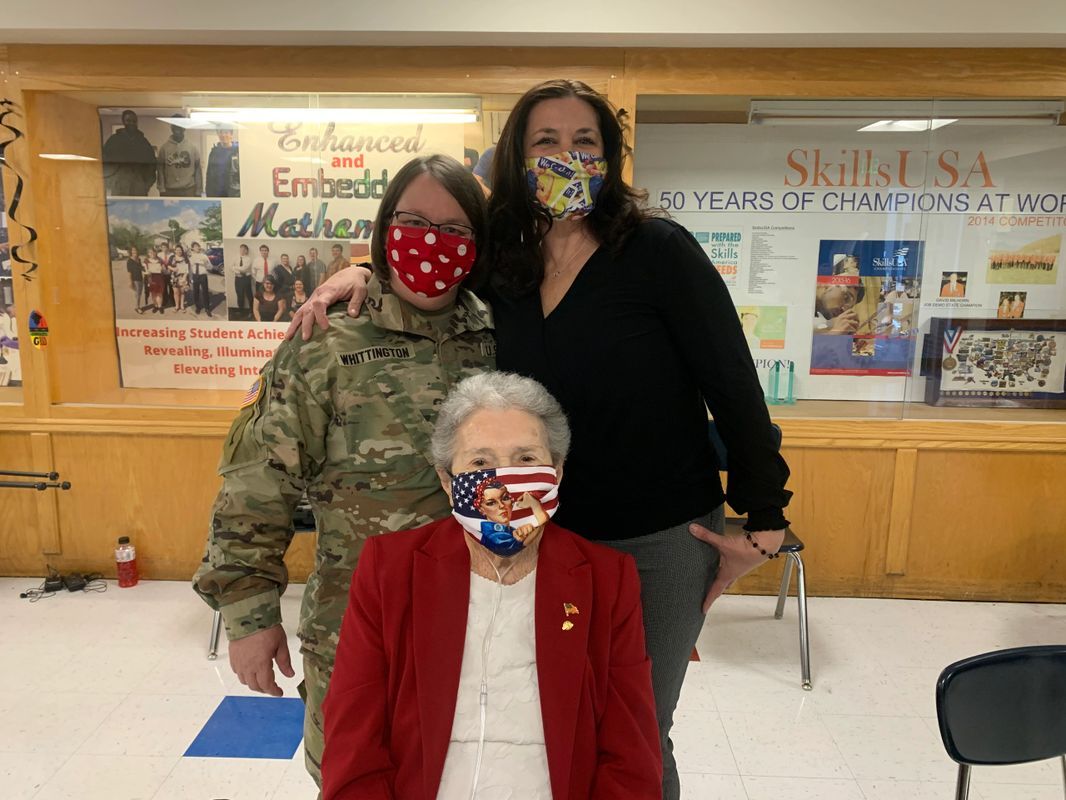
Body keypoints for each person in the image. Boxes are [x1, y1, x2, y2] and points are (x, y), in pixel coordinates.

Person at [290, 78, 791, 800]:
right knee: (549, 721)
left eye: (583, 140)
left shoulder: (657, 252)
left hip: (656, 539)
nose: (565, 155)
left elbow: (735, 386)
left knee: (639, 729)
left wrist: (764, 518)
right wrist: (361, 271)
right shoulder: (503, 264)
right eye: (545, 141)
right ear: (516, 160)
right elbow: (435, 258)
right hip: (531, 533)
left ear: (610, 155)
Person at [192, 153, 496, 789]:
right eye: (414, 221)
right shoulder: (327, 337)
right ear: (385, 226)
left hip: (481, 627)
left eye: (455, 229)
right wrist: (250, 615)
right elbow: (257, 482)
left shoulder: (500, 333)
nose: (432, 241)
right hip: (358, 625)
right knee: (356, 776)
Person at [321, 371, 662, 800]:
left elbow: (630, 750)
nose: (505, 482)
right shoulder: (389, 569)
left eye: (525, 459)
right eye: (481, 463)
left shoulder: (607, 579)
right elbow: (355, 738)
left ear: (556, 471)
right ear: (448, 481)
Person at [101, 109, 157, 196]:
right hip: (119, 186)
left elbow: (152, 164)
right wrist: (111, 183)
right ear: (123, 122)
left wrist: (146, 184)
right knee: (120, 209)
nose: (131, 123)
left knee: (140, 209)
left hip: (139, 186)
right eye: (128, 121)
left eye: (134, 121)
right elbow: (105, 161)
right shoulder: (114, 140)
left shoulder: (143, 142)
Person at [156, 117, 202, 197]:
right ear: (171, 127)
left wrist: (198, 190)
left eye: (180, 125)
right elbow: (160, 170)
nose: (177, 128)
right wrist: (162, 189)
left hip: (189, 190)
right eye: (174, 125)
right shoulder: (164, 148)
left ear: (184, 128)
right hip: (169, 191)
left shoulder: (193, 148)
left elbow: (198, 170)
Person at [205, 126, 240, 197]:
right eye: (221, 132)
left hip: (233, 193)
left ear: (231, 134)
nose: (223, 135)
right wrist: (208, 192)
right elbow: (209, 174)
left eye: (226, 132)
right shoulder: (213, 153)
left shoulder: (238, 152)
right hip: (216, 193)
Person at [188, 241, 213, 316]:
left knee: (205, 292)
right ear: (192, 248)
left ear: (199, 247)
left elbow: (210, 267)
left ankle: (207, 308)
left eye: (198, 246)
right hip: (195, 275)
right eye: (195, 246)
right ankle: (198, 307)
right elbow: (190, 269)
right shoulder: (191, 257)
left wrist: (205, 263)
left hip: (203, 275)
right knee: (196, 292)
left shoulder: (204, 256)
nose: (197, 248)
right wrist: (191, 278)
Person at [231, 243, 254, 315]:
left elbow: (244, 269)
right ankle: (241, 311)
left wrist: (235, 267)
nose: (242, 250)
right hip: (238, 279)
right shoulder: (235, 257)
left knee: (249, 295)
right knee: (239, 295)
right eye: (241, 249)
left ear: (246, 251)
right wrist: (237, 271)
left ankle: (251, 311)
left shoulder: (248, 259)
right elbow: (230, 267)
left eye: (244, 249)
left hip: (246, 278)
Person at [168, 244, 190, 313]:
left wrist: (185, 277)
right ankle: (177, 306)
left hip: (183, 277)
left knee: (182, 292)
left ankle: (182, 306)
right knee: (176, 292)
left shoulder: (185, 258)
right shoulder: (172, 257)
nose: (178, 251)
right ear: (175, 251)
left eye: (180, 250)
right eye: (177, 250)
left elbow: (187, 269)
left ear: (182, 251)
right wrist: (173, 268)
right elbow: (168, 265)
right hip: (174, 277)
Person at [145, 246, 167, 313]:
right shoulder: (146, 260)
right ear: (148, 253)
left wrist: (162, 268)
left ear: (155, 253)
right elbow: (144, 270)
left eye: (153, 252)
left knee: (159, 293)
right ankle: (155, 306)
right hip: (151, 278)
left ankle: (160, 306)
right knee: (153, 293)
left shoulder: (160, 260)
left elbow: (164, 269)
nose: (152, 254)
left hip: (159, 278)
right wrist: (147, 272)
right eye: (150, 253)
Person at [125, 245, 146, 314]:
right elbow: (129, 272)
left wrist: (146, 268)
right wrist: (130, 281)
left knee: (139, 293)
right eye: (133, 250)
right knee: (137, 294)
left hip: (140, 278)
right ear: (131, 252)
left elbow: (141, 268)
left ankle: (137, 306)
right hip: (135, 279)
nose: (135, 252)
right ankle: (137, 307)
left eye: (136, 250)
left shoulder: (138, 259)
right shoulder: (129, 261)